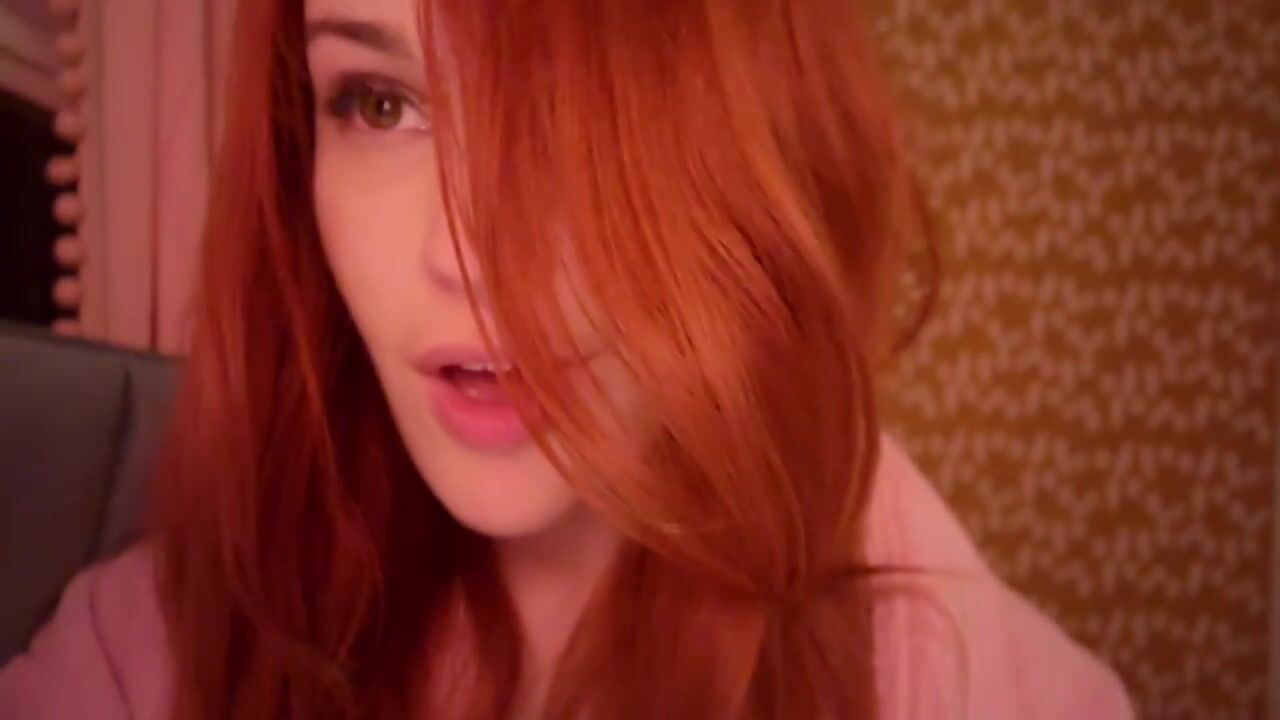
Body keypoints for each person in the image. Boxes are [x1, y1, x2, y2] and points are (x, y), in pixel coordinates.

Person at [0, 0, 1133, 717]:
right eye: (380, 103)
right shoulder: (157, 650)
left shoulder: (940, 664)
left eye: (575, 111)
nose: (466, 253)